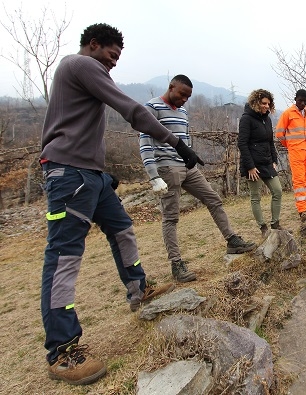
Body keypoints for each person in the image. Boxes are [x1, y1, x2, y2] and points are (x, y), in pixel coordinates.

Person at [39, 23, 203, 386]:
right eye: (112, 56)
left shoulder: (82, 74)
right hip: (70, 175)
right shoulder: (80, 65)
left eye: (116, 59)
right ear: (94, 45)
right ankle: (62, 350)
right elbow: (131, 110)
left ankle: (138, 288)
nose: (113, 64)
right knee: (64, 255)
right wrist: (177, 143)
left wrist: (101, 172)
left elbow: (78, 128)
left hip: (90, 175)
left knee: (123, 230)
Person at [139, 74, 256, 283]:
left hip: (187, 167)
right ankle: (176, 264)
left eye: (188, 96)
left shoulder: (182, 111)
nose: (184, 99)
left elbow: (183, 140)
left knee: (213, 199)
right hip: (167, 168)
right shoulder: (152, 108)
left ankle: (232, 240)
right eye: (182, 94)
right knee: (171, 217)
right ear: (171, 87)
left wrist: (191, 154)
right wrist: (153, 175)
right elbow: (145, 143)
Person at [238, 89, 284, 237]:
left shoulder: (267, 119)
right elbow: (242, 144)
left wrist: (274, 160)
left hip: (267, 163)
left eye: (268, 104)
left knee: (277, 191)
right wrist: (250, 167)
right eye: (264, 103)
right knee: (255, 196)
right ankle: (263, 228)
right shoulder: (246, 119)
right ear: (256, 102)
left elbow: (270, 142)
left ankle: (275, 224)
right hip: (253, 165)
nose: (266, 106)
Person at [275, 89, 306, 222]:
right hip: (296, 151)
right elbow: (279, 133)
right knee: (299, 180)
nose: (302, 103)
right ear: (295, 99)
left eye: (305, 101)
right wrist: (290, 145)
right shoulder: (288, 113)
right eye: (300, 100)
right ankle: (302, 210)